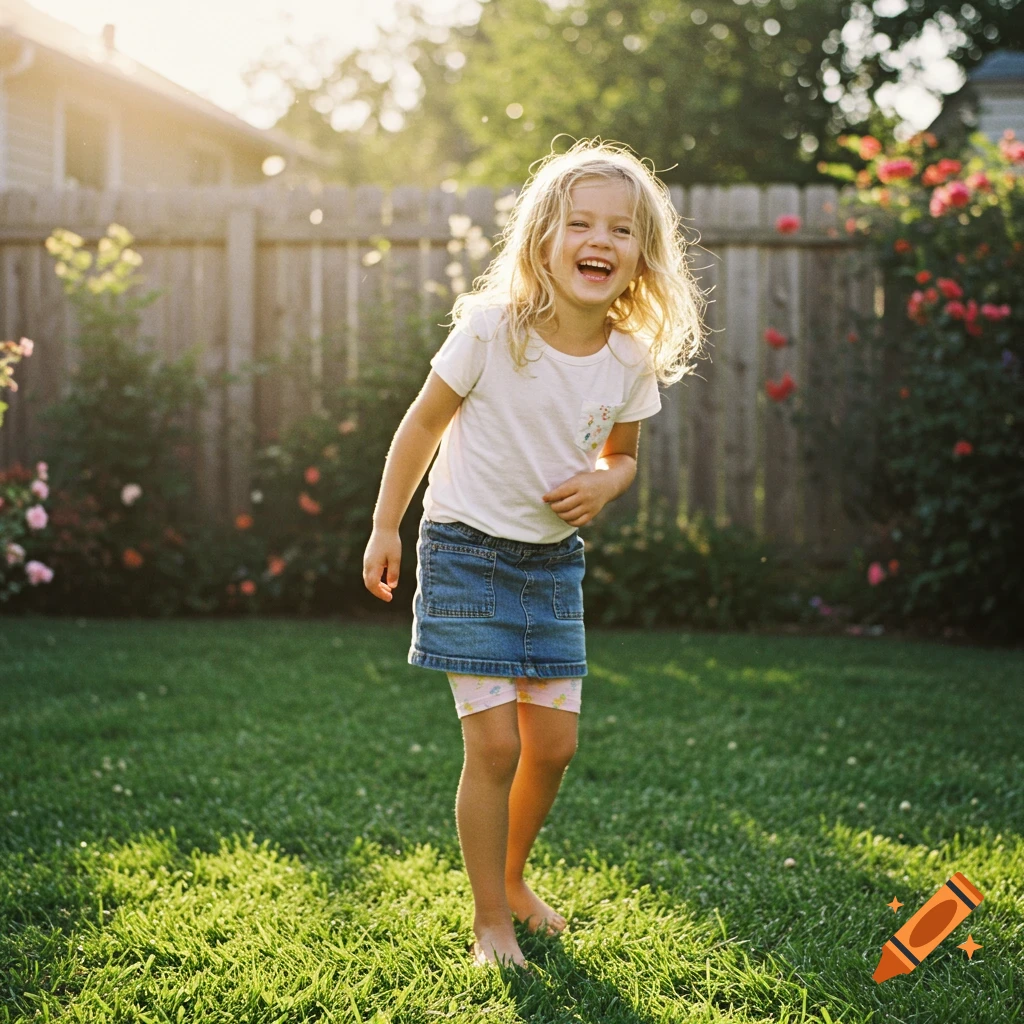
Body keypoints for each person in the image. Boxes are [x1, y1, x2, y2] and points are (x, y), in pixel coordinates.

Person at [362, 137, 708, 970]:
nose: (600, 241)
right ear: (544, 240)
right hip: (464, 553)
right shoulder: (492, 332)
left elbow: (621, 455)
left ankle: (512, 880)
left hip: (551, 565)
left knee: (552, 748)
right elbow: (421, 425)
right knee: (494, 748)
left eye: (621, 230)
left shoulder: (628, 358)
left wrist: (607, 485)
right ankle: (491, 920)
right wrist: (385, 525)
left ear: (640, 255)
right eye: (581, 223)